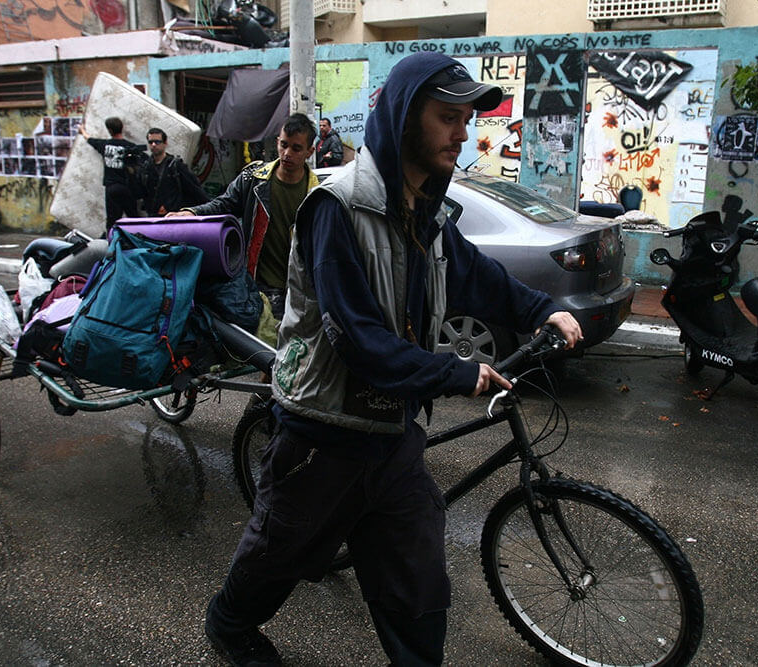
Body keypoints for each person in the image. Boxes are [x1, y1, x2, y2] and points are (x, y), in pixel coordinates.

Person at [203, 52, 583, 667]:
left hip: (395, 435)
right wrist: (457, 372)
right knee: (281, 551)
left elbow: (477, 277)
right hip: (324, 434)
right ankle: (229, 625)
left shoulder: (426, 211)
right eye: (448, 117)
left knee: (418, 582)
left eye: (466, 119)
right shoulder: (337, 208)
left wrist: (542, 309)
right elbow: (358, 337)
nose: (463, 132)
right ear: (406, 117)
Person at [169, 113, 318, 320]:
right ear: (277, 142)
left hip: (298, 292)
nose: (286, 154)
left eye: (296, 148)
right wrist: (192, 213)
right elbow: (225, 204)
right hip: (254, 287)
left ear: (310, 151)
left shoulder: (318, 194)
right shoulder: (254, 178)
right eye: (283, 145)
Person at [79, 117, 145, 233]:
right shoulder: (130, 147)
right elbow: (144, 162)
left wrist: (82, 130)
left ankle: (112, 245)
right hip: (128, 188)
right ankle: (138, 241)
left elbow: (90, 139)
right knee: (134, 219)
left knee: (112, 222)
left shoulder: (105, 145)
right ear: (122, 128)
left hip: (112, 188)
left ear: (109, 130)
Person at [137, 127, 210, 217]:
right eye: (151, 142)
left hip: (173, 216)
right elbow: (139, 192)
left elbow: (195, 188)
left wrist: (209, 208)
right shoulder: (146, 167)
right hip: (153, 216)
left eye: (157, 142)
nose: (154, 145)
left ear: (165, 143)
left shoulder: (175, 165)